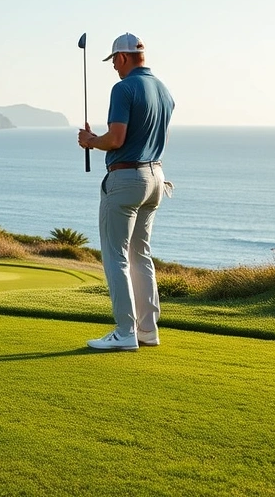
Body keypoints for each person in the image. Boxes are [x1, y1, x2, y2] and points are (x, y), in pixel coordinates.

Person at [77, 32, 174, 351]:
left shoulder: (123, 88)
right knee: (140, 254)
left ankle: (124, 331)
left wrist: (92, 141)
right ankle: (148, 329)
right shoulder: (163, 90)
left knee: (116, 256)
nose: (114, 69)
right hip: (156, 177)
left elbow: (116, 139)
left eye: (114, 62)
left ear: (122, 57)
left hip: (126, 179)